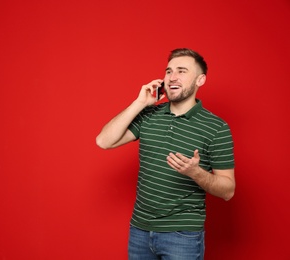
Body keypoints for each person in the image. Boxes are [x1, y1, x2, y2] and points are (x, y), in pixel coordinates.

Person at [96, 48, 235, 260]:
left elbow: (228, 190)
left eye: (181, 71)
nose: (172, 77)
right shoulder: (148, 115)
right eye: (169, 71)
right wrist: (140, 103)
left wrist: (195, 173)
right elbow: (103, 141)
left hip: (182, 235)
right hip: (140, 230)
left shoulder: (217, 128)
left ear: (200, 80)